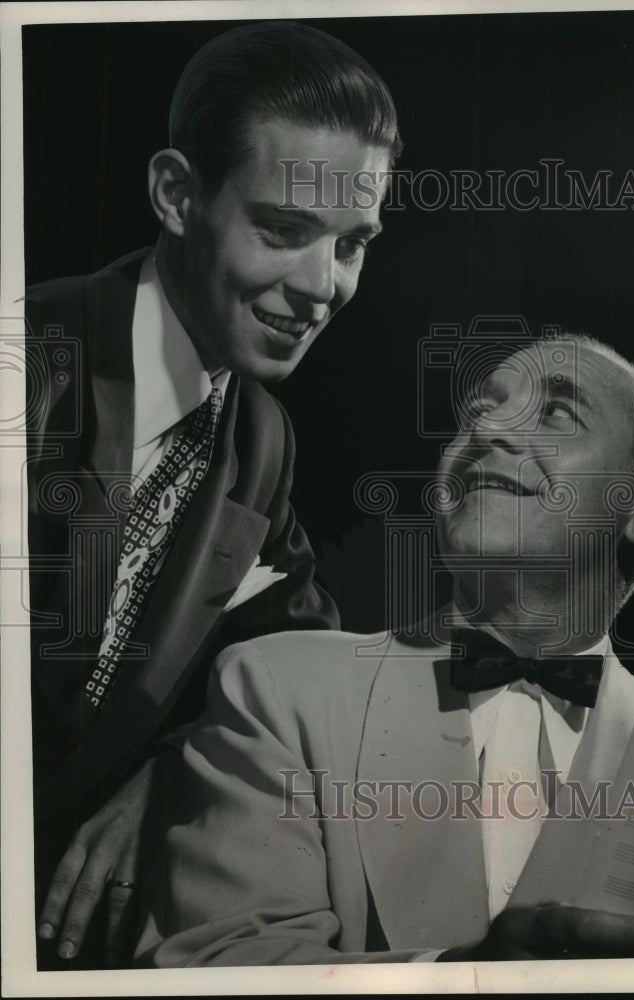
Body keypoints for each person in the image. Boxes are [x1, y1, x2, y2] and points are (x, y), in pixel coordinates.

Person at [134, 334, 634, 965]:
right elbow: (224, 963)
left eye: (556, 411)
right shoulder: (275, 687)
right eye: (479, 410)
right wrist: (465, 974)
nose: (487, 431)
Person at [25, 20, 400, 968]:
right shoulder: (29, 359)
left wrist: (168, 771)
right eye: (284, 229)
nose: (324, 288)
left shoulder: (262, 438)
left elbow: (298, 653)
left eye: (353, 244)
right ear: (176, 194)